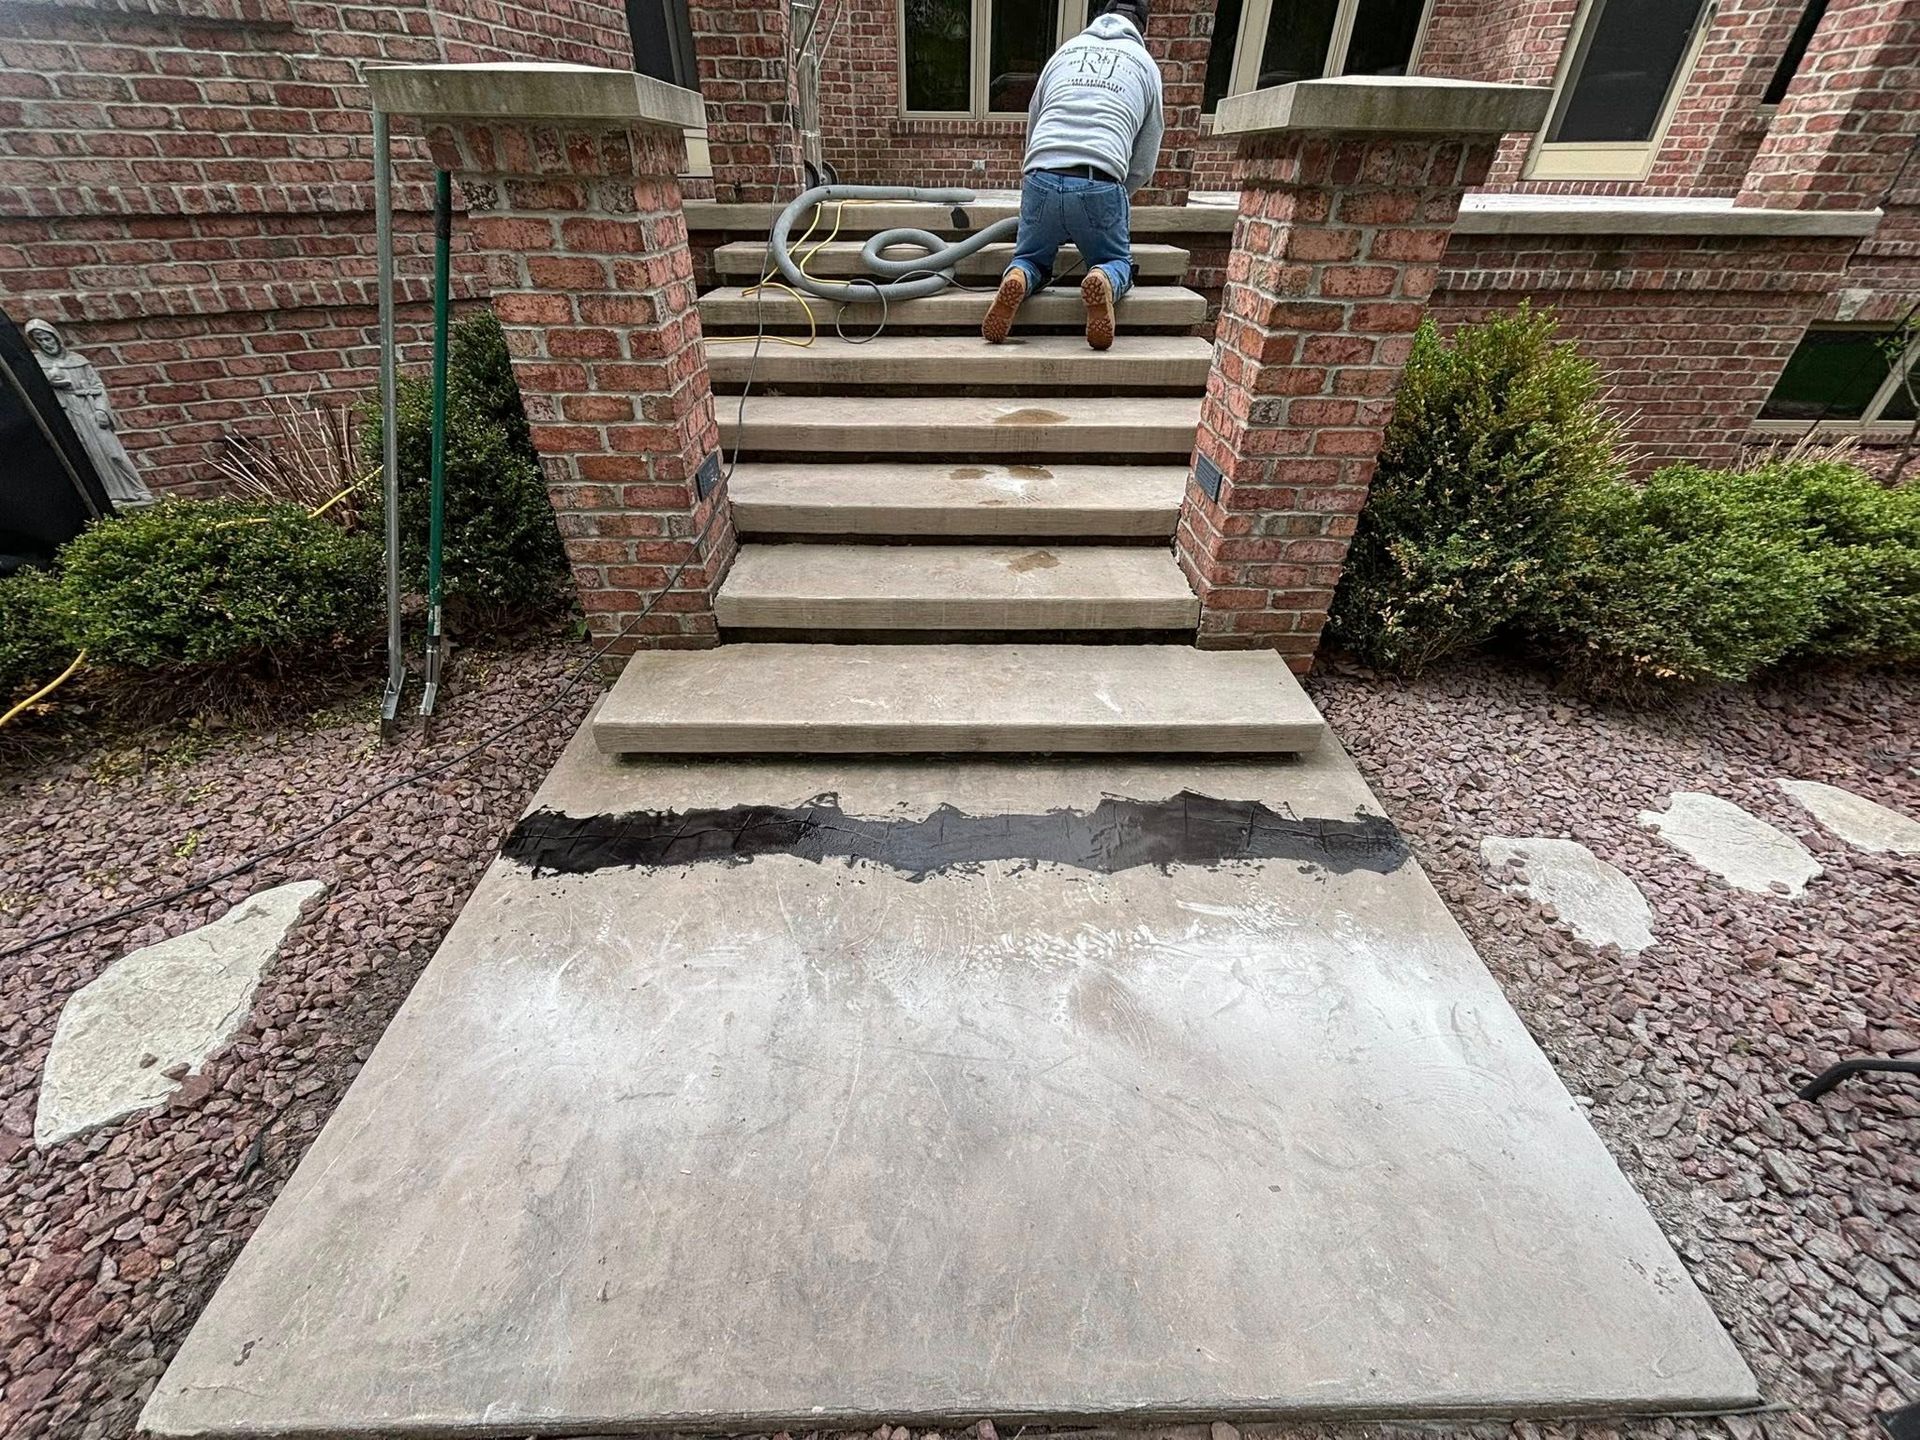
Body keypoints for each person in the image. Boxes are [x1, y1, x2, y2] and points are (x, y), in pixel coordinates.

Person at [982, 0, 1163, 353]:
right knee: (1115, 261)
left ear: (1099, 17)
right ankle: (1103, 279)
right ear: (1141, 27)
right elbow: (1145, 155)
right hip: (1100, 176)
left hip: (1042, 173)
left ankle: (1017, 276)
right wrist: (1115, 194)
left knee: (1031, 258)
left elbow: (1035, 120)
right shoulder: (1144, 65)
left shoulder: (1066, 50)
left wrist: (1038, 173)